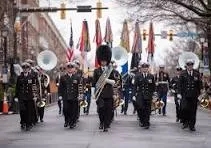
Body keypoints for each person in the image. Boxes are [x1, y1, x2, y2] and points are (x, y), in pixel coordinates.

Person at [92, 45, 116, 132]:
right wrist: (93, 94)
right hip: (100, 94)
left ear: (107, 60)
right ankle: (102, 122)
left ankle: (106, 125)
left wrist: (107, 80)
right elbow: (94, 83)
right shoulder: (96, 71)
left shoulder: (111, 70)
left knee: (108, 110)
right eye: (102, 61)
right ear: (99, 60)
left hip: (109, 93)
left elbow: (114, 82)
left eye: (105, 61)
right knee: (101, 109)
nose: (103, 62)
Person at [178, 59, 202, 131]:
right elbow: (180, 84)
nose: (190, 66)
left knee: (193, 110)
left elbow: (199, 85)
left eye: (191, 65)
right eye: (188, 65)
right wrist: (179, 93)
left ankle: (192, 125)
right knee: (184, 109)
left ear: (193, 65)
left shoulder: (196, 74)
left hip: (194, 95)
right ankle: (185, 122)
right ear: (186, 66)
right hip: (185, 95)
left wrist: (200, 94)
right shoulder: (182, 73)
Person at [15, 62, 39, 131]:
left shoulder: (32, 76)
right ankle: (23, 122)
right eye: (24, 68)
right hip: (21, 96)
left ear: (29, 69)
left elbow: (34, 87)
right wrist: (16, 96)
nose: (25, 69)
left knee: (29, 111)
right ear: (22, 69)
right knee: (22, 110)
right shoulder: (19, 77)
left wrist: (35, 96)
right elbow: (17, 87)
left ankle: (28, 124)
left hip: (29, 96)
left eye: (27, 68)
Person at [133, 61, 155, 129]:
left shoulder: (151, 76)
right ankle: (142, 120)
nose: (145, 69)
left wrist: (154, 94)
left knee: (147, 110)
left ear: (148, 68)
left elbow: (153, 86)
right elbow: (135, 86)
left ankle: (146, 122)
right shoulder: (137, 76)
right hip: (140, 95)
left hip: (148, 95)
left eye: (146, 67)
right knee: (140, 108)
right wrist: (134, 95)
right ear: (141, 68)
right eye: (143, 67)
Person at [58, 62, 81, 128]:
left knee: (74, 110)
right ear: (67, 69)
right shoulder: (63, 77)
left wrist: (80, 95)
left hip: (74, 96)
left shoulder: (77, 77)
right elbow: (60, 87)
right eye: (68, 68)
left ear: (74, 69)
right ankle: (66, 120)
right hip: (66, 96)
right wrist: (60, 95)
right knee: (65, 109)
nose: (70, 69)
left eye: (71, 68)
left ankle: (72, 123)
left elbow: (80, 87)